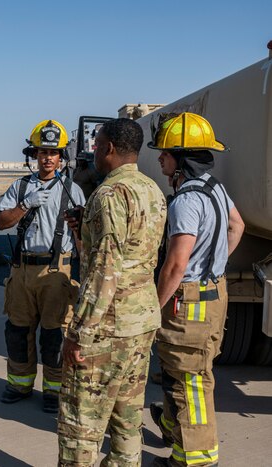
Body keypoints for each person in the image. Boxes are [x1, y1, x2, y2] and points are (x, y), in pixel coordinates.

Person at [58, 118, 167, 466]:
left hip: (107, 329)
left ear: (108, 148)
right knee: (127, 422)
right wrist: (83, 230)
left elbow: (105, 269)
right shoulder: (152, 189)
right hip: (141, 323)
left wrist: (79, 333)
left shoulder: (108, 194)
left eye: (97, 145)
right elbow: (134, 252)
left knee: (81, 427)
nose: (93, 152)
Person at [148, 112, 245, 467]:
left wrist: (153, 307)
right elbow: (237, 226)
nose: (160, 157)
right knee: (185, 374)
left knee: (190, 381)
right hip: (213, 296)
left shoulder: (186, 200)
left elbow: (175, 264)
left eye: (166, 153)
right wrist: (214, 264)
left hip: (188, 305)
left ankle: (196, 459)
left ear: (181, 158)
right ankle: (175, 431)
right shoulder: (215, 187)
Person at [0, 119, 85, 413]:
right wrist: (26, 205)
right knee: (18, 331)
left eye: (54, 152)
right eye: (42, 151)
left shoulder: (73, 190)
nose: (47, 157)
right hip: (23, 270)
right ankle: (19, 384)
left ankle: (54, 390)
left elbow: (82, 236)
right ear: (34, 155)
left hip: (57, 271)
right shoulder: (21, 187)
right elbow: (1, 222)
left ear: (62, 157)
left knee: (54, 335)